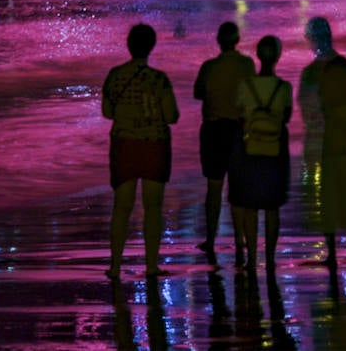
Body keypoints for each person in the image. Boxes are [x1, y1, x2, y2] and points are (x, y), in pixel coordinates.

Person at [298, 16, 346, 288]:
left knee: (328, 201)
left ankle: (331, 253)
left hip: (326, 146)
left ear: (311, 40)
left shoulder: (311, 73)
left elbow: (307, 112)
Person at [102, 22, 179, 279]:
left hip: (124, 143)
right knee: (153, 206)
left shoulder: (115, 75)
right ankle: (151, 265)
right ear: (152, 47)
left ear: (129, 45)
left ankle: (114, 265)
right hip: (154, 143)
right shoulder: (159, 79)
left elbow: (106, 112)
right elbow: (171, 116)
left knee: (121, 207)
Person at [228, 34, 293, 271]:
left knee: (250, 205)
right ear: (277, 57)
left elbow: (240, 115)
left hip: (250, 149)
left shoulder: (246, 87)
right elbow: (286, 117)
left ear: (257, 55)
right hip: (275, 150)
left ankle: (252, 259)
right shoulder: (284, 87)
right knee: (272, 207)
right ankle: (271, 259)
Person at [193, 20, 255, 263]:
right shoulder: (247, 64)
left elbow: (198, 92)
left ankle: (210, 238)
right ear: (237, 41)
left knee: (214, 188)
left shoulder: (209, 67)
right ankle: (240, 241)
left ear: (218, 41)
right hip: (238, 129)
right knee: (238, 189)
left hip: (214, 129)